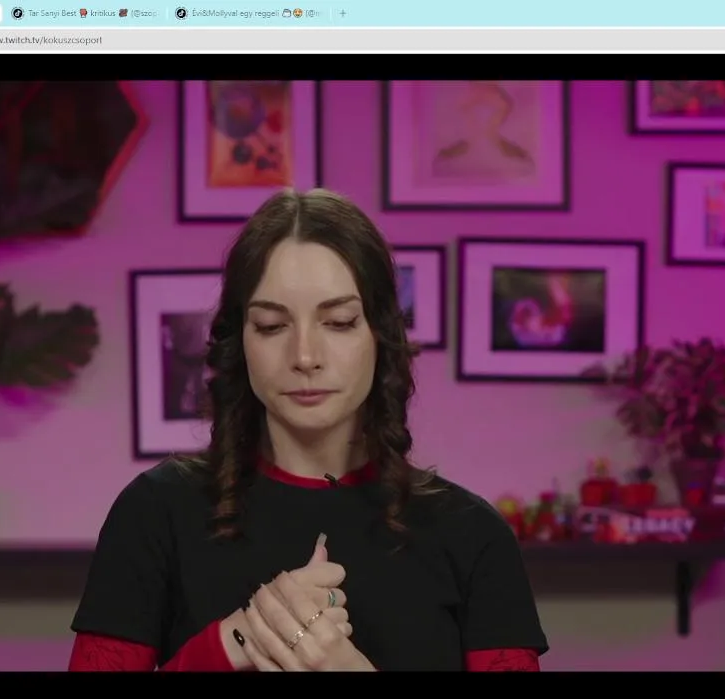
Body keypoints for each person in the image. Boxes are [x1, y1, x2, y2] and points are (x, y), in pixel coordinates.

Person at [68, 189, 548, 671]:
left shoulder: (472, 534)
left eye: (338, 322)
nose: (304, 356)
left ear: (380, 335)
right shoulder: (155, 512)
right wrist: (240, 639)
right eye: (272, 325)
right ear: (240, 341)